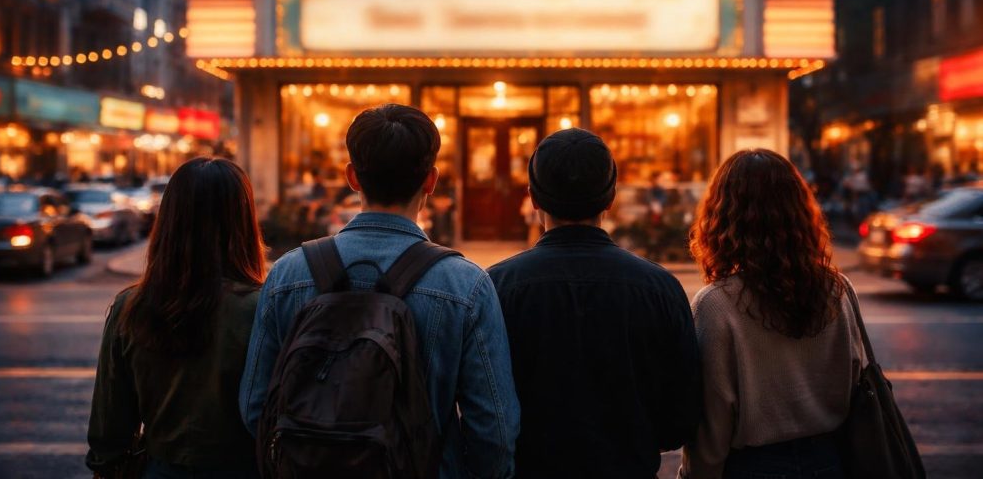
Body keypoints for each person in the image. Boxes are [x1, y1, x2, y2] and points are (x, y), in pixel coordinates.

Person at [239, 104, 519, 478]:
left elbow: (255, 406)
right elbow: (494, 432)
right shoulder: (464, 285)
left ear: (352, 177)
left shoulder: (289, 274)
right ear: (431, 181)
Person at [488, 128, 701, 479]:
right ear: (611, 197)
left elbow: (484, 409)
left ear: (534, 200)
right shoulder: (659, 288)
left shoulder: (498, 287)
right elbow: (681, 418)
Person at [679, 149, 866, 479]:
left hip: (753, 467)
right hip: (830, 460)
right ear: (799, 212)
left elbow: (712, 421)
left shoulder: (716, 305)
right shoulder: (838, 289)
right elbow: (856, 381)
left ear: (722, 217)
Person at [86, 157, 267, 478]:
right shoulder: (263, 308)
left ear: (169, 220)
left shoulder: (131, 307)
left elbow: (109, 429)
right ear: (244, 221)